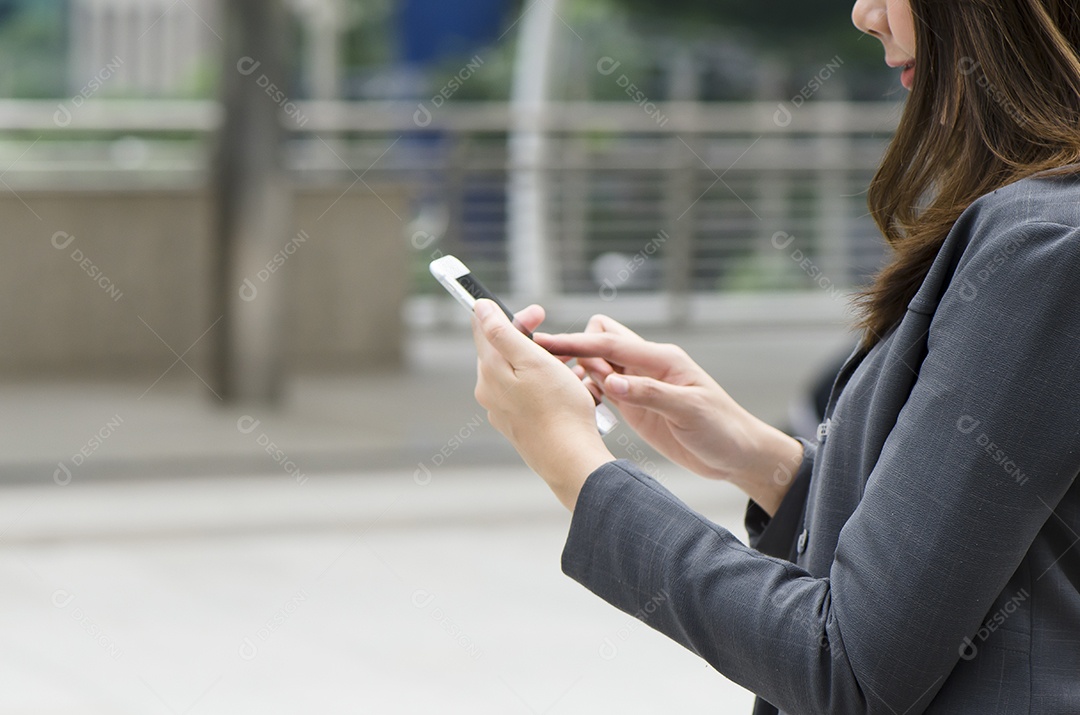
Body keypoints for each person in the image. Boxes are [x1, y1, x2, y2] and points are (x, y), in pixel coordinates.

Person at [470, 0, 1080, 711]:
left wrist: (574, 464)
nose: (865, 13)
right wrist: (767, 463)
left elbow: (847, 667)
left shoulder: (1039, 243)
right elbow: (1006, 535)